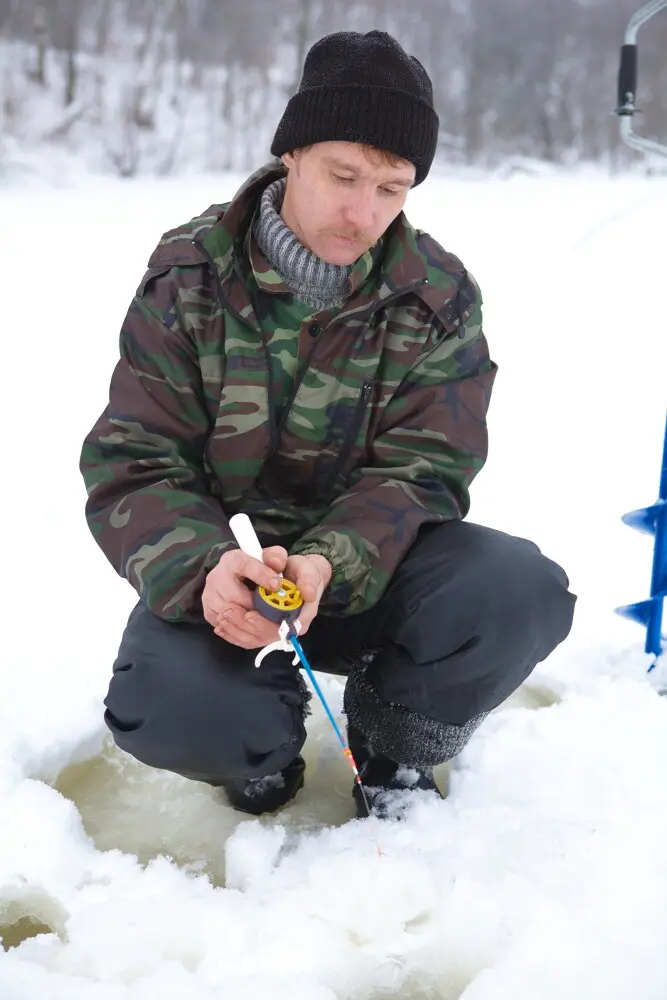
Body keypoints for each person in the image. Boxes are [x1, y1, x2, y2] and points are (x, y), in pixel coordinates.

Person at [79, 29, 576, 820]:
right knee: (176, 715)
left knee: (515, 590)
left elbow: (424, 470)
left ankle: (394, 750)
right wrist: (207, 569)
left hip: (368, 571)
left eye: (392, 188)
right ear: (292, 157)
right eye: (343, 176)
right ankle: (256, 760)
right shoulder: (189, 275)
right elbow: (134, 461)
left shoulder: (438, 295)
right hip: (226, 581)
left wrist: (323, 564)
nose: (363, 213)